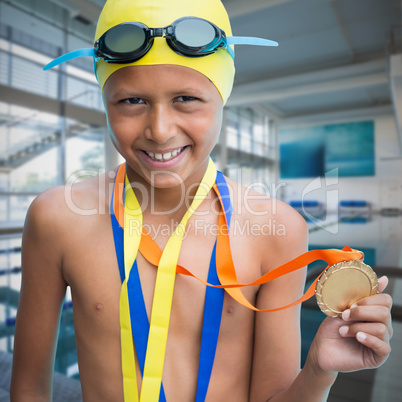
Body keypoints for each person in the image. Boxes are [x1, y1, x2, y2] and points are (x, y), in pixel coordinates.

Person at [10, 0, 392, 401]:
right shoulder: (57, 217)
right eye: (131, 101)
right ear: (105, 105)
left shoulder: (277, 229)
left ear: (221, 100)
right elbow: (29, 390)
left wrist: (317, 372)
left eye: (186, 99)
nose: (159, 130)